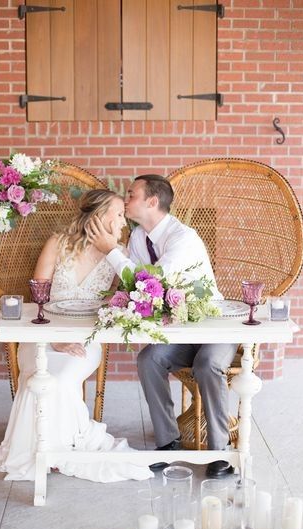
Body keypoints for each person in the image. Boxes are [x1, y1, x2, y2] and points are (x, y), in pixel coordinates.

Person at [0, 189, 153, 483]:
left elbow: (130, 293)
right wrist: (52, 338)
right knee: (39, 378)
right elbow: (39, 294)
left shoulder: (120, 253)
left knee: (61, 378)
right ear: (98, 216)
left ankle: (57, 448)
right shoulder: (58, 242)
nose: (123, 221)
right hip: (44, 334)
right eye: (118, 214)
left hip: (86, 339)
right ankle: (46, 450)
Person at [87, 175, 238, 478]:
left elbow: (152, 282)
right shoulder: (138, 238)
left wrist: (110, 251)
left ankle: (221, 452)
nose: (126, 199)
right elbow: (134, 287)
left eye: (131, 195)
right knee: (149, 359)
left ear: (151, 202)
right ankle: (168, 442)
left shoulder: (184, 238)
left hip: (213, 326)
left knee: (208, 364)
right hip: (179, 330)